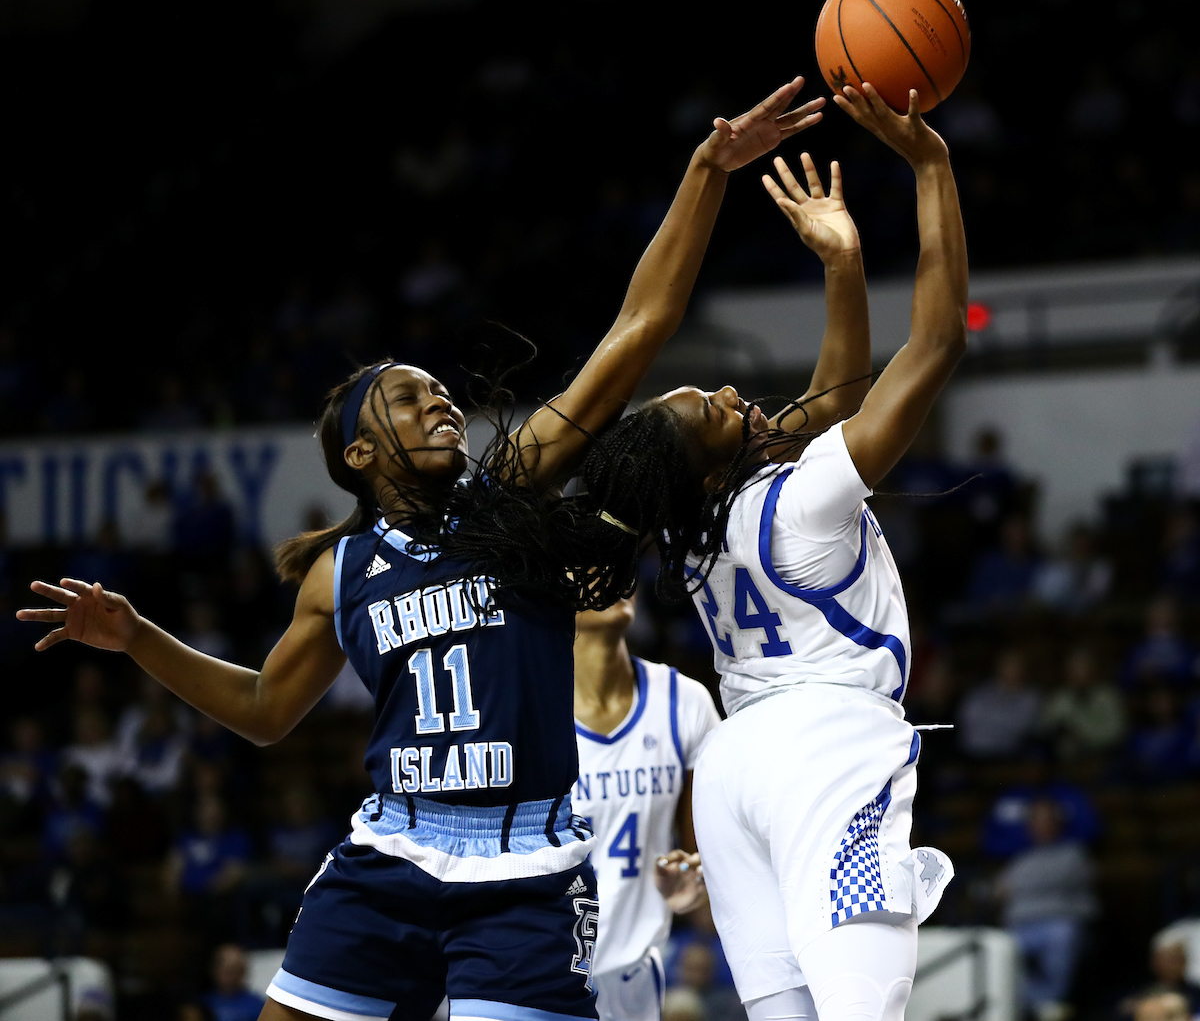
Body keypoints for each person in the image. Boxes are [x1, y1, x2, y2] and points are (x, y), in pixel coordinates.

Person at [18, 77, 825, 1021]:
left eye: (442, 392)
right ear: (360, 454)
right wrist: (138, 637)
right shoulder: (341, 573)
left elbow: (637, 330)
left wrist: (705, 172)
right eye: (410, 398)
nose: (440, 402)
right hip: (391, 855)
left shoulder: (509, 491)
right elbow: (267, 708)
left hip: (528, 870)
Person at [579, 82, 967, 1021]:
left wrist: (841, 265)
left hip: (734, 772)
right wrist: (932, 170)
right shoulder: (798, 498)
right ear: (714, 463)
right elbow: (938, 345)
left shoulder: (695, 528)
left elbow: (828, 407)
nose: (726, 392)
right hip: (825, 752)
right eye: (711, 410)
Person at [573, 596, 720, 1021]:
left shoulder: (684, 702)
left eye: (618, 560)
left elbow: (710, 860)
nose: (609, 572)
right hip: (543, 971)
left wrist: (695, 886)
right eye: (585, 561)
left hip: (641, 972)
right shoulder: (527, 709)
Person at [996, 797, 1096, 1021]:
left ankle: (1051, 1000)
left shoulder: (1073, 853)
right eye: (1036, 820)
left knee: (1063, 935)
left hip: (1057, 923)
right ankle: (1041, 1003)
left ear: (1058, 822)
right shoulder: (1020, 859)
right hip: (1020, 927)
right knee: (1002, 948)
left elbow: (1057, 878)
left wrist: (1019, 886)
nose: (1042, 825)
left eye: (1047, 819)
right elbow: (999, 889)